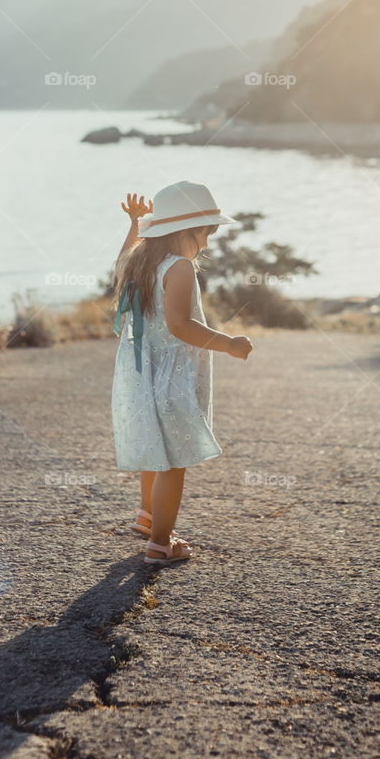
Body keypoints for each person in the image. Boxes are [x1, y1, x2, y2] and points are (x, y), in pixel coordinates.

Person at [111, 181, 253, 566]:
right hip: (169, 378)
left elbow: (123, 254)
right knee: (173, 461)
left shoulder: (139, 261)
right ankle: (160, 543)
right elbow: (180, 325)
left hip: (140, 375)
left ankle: (148, 518)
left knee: (154, 451)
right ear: (187, 231)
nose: (207, 242)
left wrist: (134, 223)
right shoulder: (180, 268)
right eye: (208, 231)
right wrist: (229, 343)